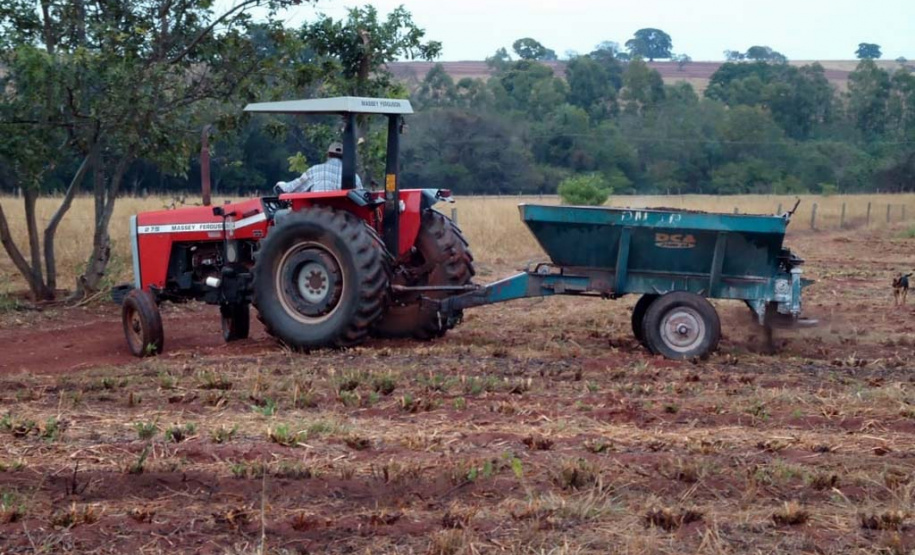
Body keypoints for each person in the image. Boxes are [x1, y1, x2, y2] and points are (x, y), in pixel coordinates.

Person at [274, 142, 362, 194]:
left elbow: (295, 188)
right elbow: (360, 195)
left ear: (328, 155)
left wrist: (282, 186)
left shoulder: (315, 170)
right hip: (344, 217)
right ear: (344, 157)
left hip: (317, 214)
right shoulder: (353, 177)